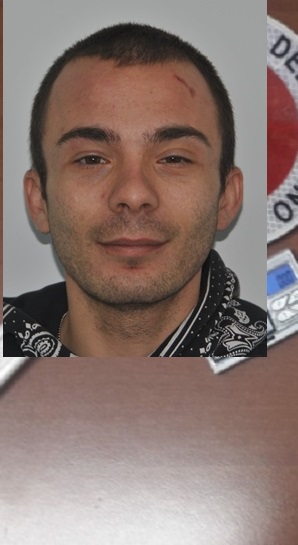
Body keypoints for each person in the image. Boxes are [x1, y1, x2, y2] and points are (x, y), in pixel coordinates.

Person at [3, 23, 270, 357]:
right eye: (91, 159)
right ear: (38, 200)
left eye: (173, 158)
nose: (133, 194)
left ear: (226, 198)